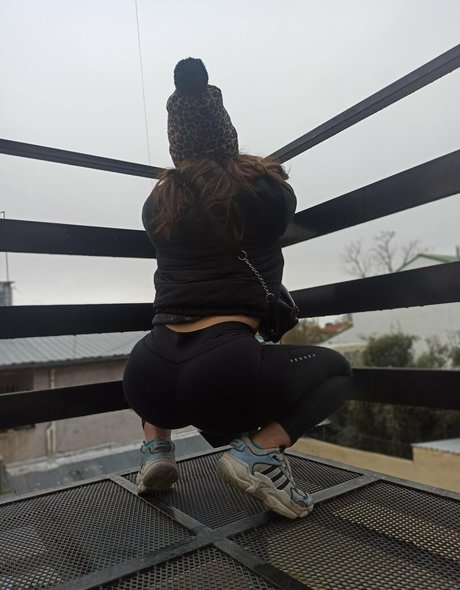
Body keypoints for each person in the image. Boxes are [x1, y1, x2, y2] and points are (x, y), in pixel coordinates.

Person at [123, 58, 352, 519]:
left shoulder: (157, 204)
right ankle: (259, 454)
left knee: (170, 352)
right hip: (221, 371)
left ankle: (156, 449)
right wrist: (249, 167)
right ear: (227, 133)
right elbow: (283, 197)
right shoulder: (266, 193)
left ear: (175, 145)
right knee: (337, 371)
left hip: (146, 374)